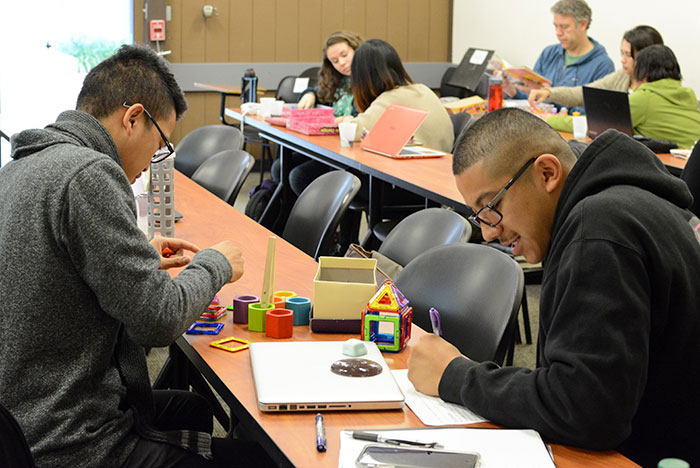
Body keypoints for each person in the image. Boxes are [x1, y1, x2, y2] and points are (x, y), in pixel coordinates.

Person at [0, 45, 273, 468]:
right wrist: (216, 264)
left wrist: (131, 260)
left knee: (194, 409)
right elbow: (158, 320)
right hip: (68, 440)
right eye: (161, 143)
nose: (151, 165)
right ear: (133, 119)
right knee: (256, 459)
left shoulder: (22, 167)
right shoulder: (89, 174)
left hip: (20, 419)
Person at [407, 107, 700, 467]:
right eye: (479, 217)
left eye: (492, 207)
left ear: (547, 173)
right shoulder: (621, 205)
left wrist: (455, 376)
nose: (488, 232)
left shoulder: (599, 230)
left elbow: (586, 410)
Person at [271, 30, 363, 194]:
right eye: (334, 61)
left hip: (350, 151)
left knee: (299, 176)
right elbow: (317, 91)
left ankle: (318, 217)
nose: (341, 63)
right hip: (328, 146)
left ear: (357, 50)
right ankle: (290, 217)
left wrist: (352, 119)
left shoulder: (369, 79)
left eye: (345, 55)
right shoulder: (337, 80)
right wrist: (309, 94)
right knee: (280, 167)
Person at [504, 0, 614, 103]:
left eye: (564, 27)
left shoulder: (603, 65)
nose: (558, 32)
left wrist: (550, 95)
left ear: (583, 24)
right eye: (555, 26)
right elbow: (534, 100)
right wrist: (512, 91)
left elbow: (591, 114)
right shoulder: (548, 54)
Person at [528, 25, 664, 108]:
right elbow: (585, 93)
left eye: (628, 55)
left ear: (646, 55)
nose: (622, 60)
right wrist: (549, 93)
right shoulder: (621, 76)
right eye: (621, 53)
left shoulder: (661, 86)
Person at [629, 44, 700, 148]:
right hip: (692, 157)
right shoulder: (689, 95)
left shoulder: (644, 98)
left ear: (643, 73)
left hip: (674, 162)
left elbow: (605, 125)